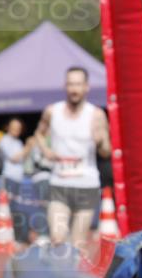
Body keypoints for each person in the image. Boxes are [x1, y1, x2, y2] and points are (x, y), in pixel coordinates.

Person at [35, 67, 111, 248]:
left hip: (86, 185)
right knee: (57, 239)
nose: (74, 89)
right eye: (70, 84)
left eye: (78, 84)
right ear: (65, 86)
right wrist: (45, 149)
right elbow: (38, 134)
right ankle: (62, 273)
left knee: (78, 245)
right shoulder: (52, 111)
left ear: (86, 87)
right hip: (59, 183)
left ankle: (74, 275)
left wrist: (100, 142)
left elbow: (107, 152)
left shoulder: (96, 115)